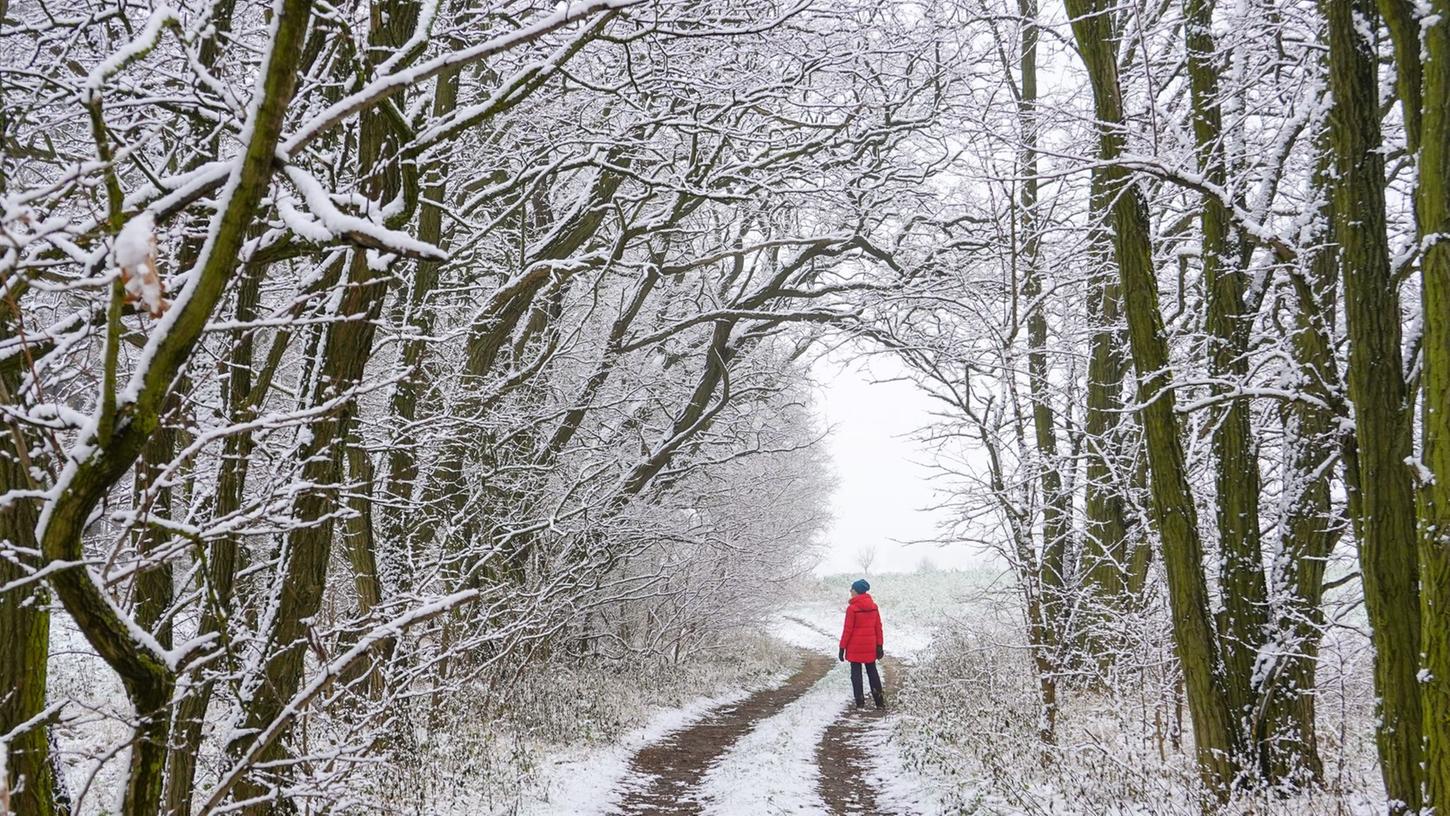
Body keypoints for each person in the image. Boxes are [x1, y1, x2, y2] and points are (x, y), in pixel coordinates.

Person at [838, 578, 886, 710]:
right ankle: (879, 702)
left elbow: (847, 630)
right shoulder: (874, 607)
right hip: (870, 646)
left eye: (852, 589)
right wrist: (879, 645)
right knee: (872, 672)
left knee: (856, 674)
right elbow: (878, 627)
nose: (850, 591)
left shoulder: (852, 609)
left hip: (854, 647)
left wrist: (842, 647)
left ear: (856, 591)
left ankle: (860, 703)